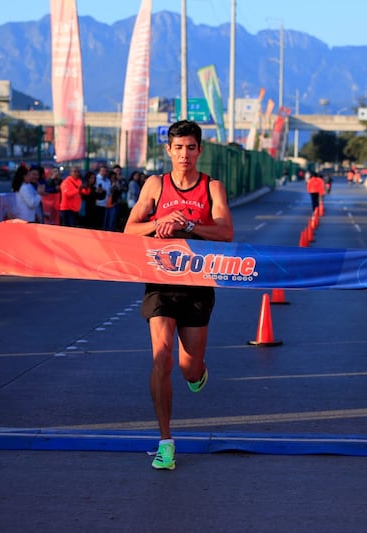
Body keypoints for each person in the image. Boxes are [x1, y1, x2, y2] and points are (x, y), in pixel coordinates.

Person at [123, 120, 233, 470]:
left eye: (190, 147)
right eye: (178, 148)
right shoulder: (156, 185)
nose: (184, 154)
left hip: (198, 283)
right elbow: (129, 230)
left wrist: (188, 225)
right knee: (162, 357)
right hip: (160, 281)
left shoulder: (212, 187)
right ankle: (165, 441)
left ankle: (198, 373)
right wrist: (159, 222)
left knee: (187, 367)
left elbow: (226, 232)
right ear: (168, 150)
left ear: (200, 150)